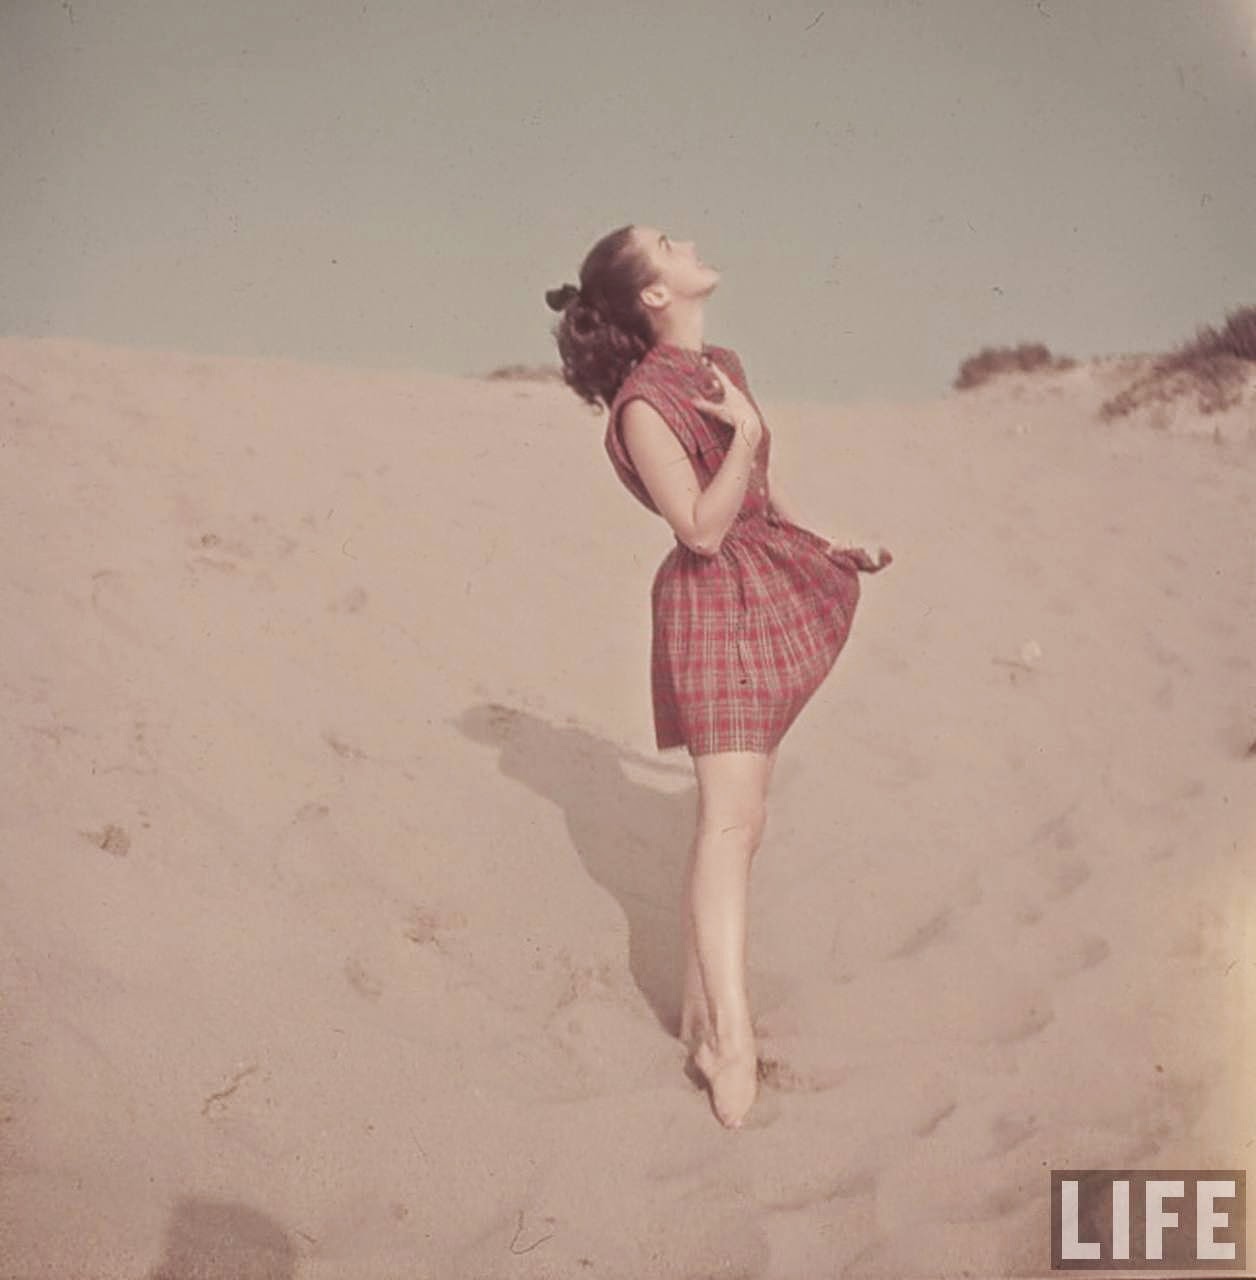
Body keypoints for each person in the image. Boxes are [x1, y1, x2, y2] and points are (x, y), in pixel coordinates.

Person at [545, 224, 890, 1129]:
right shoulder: (641, 406)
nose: (687, 239)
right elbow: (699, 528)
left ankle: (705, 1013)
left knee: (741, 819)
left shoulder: (720, 363)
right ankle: (729, 1044)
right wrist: (745, 438)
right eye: (666, 241)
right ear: (653, 294)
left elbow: (762, 501)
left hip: (768, 583)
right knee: (733, 819)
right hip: (711, 610)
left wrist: (827, 540)